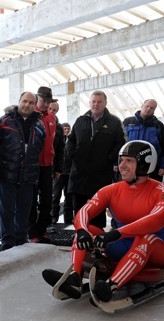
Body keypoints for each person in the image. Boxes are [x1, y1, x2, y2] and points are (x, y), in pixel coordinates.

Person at [56, 140, 164, 302]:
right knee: (87, 229)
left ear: (144, 164)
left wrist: (116, 233)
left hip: (157, 254)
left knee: (146, 238)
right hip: (120, 247)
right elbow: (85, 211)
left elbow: (154, 221)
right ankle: (75, 277)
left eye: (129, 161)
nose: (122, 165)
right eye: (121, 160)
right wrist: (82, 230)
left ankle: (111, 285)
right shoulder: (111, 190)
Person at [65, 90, 125, 229]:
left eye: (99, 102)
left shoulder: (114, 122)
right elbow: (71, 140)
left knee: (98, 211)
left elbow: (120, 144)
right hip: (79, 174)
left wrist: (108, 159)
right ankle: (80, 238)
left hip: (100, 175)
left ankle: (97, 241)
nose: (96, 104)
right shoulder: (80, 120)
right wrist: (73, 155)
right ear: (89, 103)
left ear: (105, 103)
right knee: (79, 211)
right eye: (93, 101)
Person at [0, 92, 45, 250]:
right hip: (8, 174)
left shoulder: (39, 125)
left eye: (31, 103)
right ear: (19, 101)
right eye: (25, 101)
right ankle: (7, 244)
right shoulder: (5, 120)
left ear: (35, 105)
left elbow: (39, 149)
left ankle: (21, 243)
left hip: (28, 176)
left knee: (24, 213)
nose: (27, 105)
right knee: (7, 212)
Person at [28, 88, 61, 242]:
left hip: (48, 165)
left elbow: (57, 144)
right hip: (32, 164)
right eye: (43, 101)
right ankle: (32, 232)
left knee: (47, 199)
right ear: (37, 98)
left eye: (48, 101)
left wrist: (57, 166)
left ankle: (42, 229)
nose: (45, 104)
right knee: (32, 200)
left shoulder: (52, 119)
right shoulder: (29, 115)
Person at [123, 99, 164, 182]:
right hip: (130, 166)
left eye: (152, 108)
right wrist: (116, 163)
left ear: (154, 111)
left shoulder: (158, 125)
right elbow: (120, 144)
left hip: (152, 167)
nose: (148, 109)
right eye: (147, 106)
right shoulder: (128, 122)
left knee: (151, 192)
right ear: (142, 106)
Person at [51, 121, 73, 224]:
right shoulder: (57, 141)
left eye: (68, 129)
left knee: (68, 197)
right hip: (58, 173)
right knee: (56, 196)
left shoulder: (72, 141)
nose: (67, 130)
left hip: (68, 173)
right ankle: (53, 217)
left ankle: (68, 219)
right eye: (65, 128)